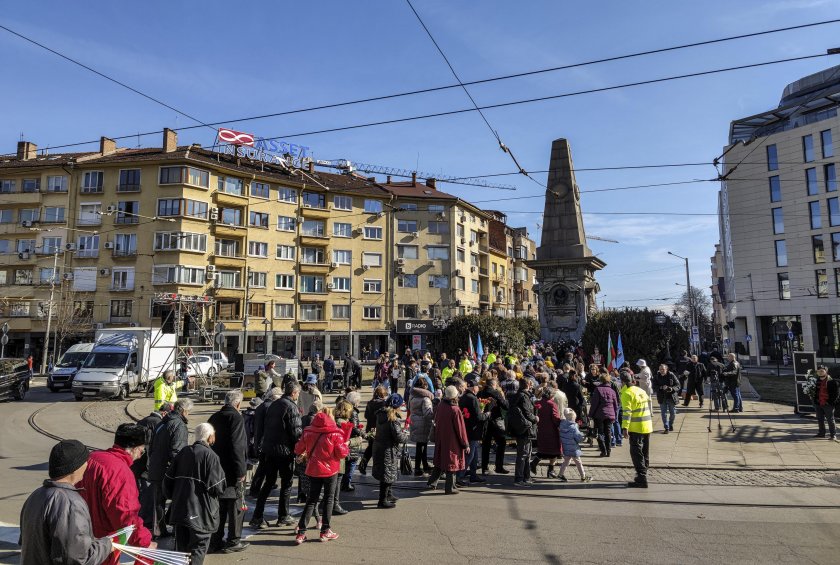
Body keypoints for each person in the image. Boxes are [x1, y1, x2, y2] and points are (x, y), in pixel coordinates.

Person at [19, 439, 113, 565]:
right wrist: (106, 545)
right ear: (75, 468)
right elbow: (76, 558)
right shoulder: (70, 503)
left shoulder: (35, 496)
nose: (87, 465)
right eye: (85, 461)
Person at [80, 424, 154, 565]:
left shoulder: (93, 457)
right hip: (103, 546)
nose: (139, 456)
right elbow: (126, 516)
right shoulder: (120, 472)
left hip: (81, 537)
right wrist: (144, 542)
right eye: (141, 452)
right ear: (135, 449)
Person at [164, 423, 226, 565]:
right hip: (201, 513)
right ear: (210, 437)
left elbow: (167, 481)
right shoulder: (211, 456)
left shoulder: (183, 452)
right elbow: (218, 487)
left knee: (182, 550)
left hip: (180, 511)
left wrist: (174, 497)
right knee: (198, 548)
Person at [293, 407, 351, 543]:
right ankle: (325, 531)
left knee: (311, 500)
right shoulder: (335, 433)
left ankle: (301, 532)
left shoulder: (308, 432)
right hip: (331, 470)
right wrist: (346, 444)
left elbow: (298, 449)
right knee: (329, 499)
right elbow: (341, 453)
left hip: (313, 469)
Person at [250, 381, 302, 528]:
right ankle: (283, 515)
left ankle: (257, 516)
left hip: (269, 449)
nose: (298, 396)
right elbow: (296, 431)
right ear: (293, 393)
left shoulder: (274, 404)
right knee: (287, 483)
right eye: (297, 393)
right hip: (284, 451)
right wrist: (300, 448)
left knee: (268, 483)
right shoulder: (291, 406)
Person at [207, 390, 249, 554]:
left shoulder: (214, 417)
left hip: (216, 469)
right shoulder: (236, 418)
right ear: (238, 404)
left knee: (219, 507)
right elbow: (237, 446)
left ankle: (216, 540)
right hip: (232, 470)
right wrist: (241, 471)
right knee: (236, 506)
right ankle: (233, 540)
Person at [145, 398, 192, 539]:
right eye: (189, 412)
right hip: (169, 471)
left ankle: (160, 529)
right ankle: (171, 528)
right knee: (177, 498)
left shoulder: (162, 423)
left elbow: (151, 446)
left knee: (159, 501)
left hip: (156, 467)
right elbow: (177, 452)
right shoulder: (179, 425)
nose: (189, 414)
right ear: (183, 411)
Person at [134, 402, 173, 532]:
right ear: (164, 413)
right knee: (148, 494)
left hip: (136, 464)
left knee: (141, 493)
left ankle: (141, 518)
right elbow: (152, 447)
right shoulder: (158, 424)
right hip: (146, 467)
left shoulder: (143, 420)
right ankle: (146, 522)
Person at [427, 386, 468, 495]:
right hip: (452, 441)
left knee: (440, 461)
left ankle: (432, 482)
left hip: (441, 437)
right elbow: (461, 429)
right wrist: (465, 444)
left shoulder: (441, 405)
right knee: (451, 464)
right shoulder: (455, 410)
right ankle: (450, 487)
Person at [372, 394, 409, 508]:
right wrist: (405, 435)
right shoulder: (392, 419)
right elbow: (398, 437)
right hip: (388, 449)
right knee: (387, 474)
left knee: (386, 473)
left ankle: (388, 494)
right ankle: (382, 500)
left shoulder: (381, 414)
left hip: (379, 446)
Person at [621, 372, 653, 488]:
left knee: (636, 452)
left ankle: (641, 477)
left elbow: (627, 413)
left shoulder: (627, 393)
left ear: (623, 382)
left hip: (636, 427)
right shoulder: (640, 391)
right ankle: (643, 473)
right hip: (647, 426)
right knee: (645, 451)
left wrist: (625, 427)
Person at [249, 388, 282, 497]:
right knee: (263, 467)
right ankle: (255, 489)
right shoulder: (270, 407)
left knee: (266, 465)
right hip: (266, 441)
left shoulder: (261, 406)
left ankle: (266, 484)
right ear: (275, 397)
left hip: (260, 440)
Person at [332, 400, 364, 514]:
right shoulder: (343, 424)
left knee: (332, 484)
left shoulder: (333, 420)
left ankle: (329, 503)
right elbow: (343, 443)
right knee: (336, 483)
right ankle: (334, 505)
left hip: (331, 457)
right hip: (338, 458)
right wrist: (357, 440)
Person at [507, 377, 537, 486]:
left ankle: (526, 476)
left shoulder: (518, 395)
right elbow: (527, 412)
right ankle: (519, 478)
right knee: (523, 454)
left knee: (526, 454)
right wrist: (535, 418)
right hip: (525, 428)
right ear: (528, 385)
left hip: (521, 428)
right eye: (530, 384)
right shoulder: (523, 396)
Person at [478, 375, 510, 475]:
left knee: (486, 444)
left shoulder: (481, 392)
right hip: (494, 421)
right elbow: (505, 405)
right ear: (493, 384)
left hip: (484, 421)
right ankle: (499, 466)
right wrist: (505, 399)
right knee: (501, 442)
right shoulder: (495, 392)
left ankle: (485, 467)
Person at [530, 386, 562, 477]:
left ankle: (534, 463)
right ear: (551, 395)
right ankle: (550, 470)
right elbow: (556, 419)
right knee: (554, 451)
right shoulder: (552, 404)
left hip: (541, 429)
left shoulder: (538, 402)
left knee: (543, 449)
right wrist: (562, 423)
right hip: (552, 431)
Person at [357, 386, 389, 476]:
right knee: (379, 449)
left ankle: (363, 465)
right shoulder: (384, 403)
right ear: (382, 394)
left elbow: (366, 416)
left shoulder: (370, 403)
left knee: (370, 447)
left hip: (370, 428)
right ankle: (377, 468)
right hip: (379, 428)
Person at [409, 376, 434, 475]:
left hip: (414, 422)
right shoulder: (425, 399)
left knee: (420, 446)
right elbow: (428, 413)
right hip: (423, 424)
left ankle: (423, 465)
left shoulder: (412, 395)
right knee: (422, 446)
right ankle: (418, 468)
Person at [589, 373, 619, 456]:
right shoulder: (612, 391)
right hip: (610, 415)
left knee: (600, 432)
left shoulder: (598, 389)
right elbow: (615, 405)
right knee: (608, 433)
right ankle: (608, 450)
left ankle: (603, 450)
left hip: (599, 415)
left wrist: (590, 414)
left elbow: (594, 404)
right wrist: (615, 415)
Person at [557, 409, 592, 482]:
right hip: (573, 448)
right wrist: (584, 435)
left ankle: (560, 475)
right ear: (573, 418)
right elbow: (579, 438)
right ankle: (583, 477)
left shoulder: (562, 424)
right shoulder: (573, 427)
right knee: (578, 463)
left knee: (566, 461)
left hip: (566, 447)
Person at [811, 365, 838, 440]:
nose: (820, 372)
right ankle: (821, 433)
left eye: (822, 371)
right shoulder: (816, 380)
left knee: (830, 419)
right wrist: (815, 401)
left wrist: (829, 402)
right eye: (819, 371)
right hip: (818, 403)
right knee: (820, 419)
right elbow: (814, 392)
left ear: (826, 371)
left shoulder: (831, 381)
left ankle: (833, 435)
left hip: (828, 404)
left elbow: (836, 394)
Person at [652, 364, 680, 433]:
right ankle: (666, 427)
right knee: (663, 413)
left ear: (666, 369)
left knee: (673, 413)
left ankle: (670, 424)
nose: (661, 371)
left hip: (671, 397)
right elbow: (654, 387)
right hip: (662, 397)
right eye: (660, 369)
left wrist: (671, 388)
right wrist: (661, 387)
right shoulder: (656, 377)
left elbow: (678, 385)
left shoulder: (671, 375)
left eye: (663, 369)